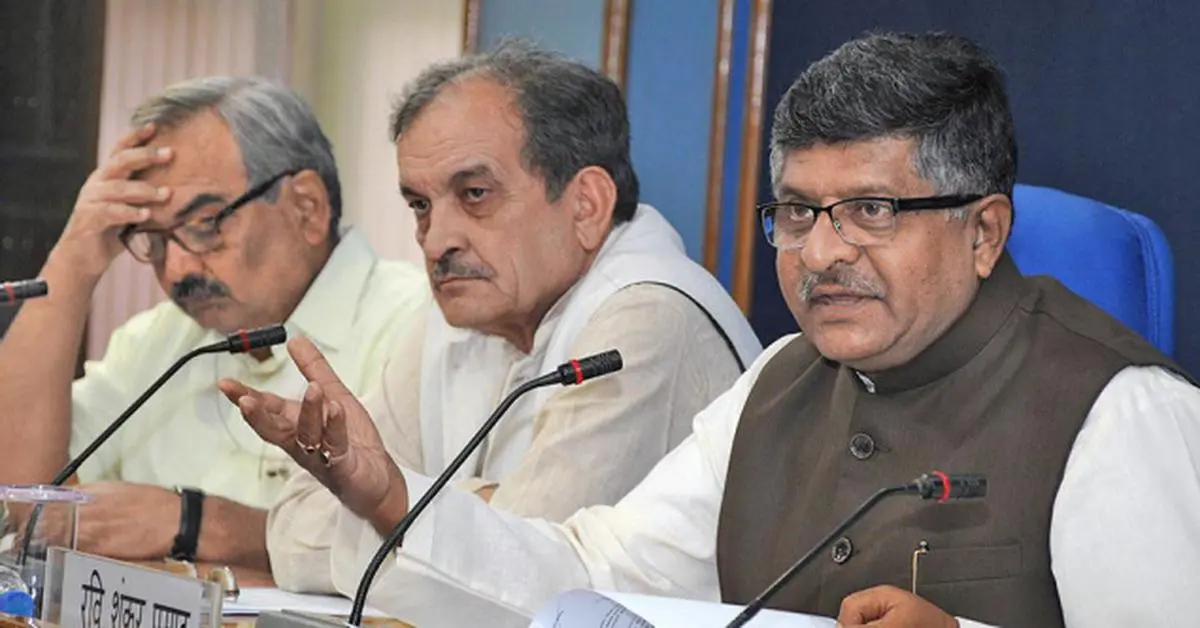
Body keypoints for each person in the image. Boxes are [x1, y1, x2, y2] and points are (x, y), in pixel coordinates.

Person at [232, 32, 1200, 627]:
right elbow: (589, 581)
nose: (822, 253)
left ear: (983, 230)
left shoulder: (1119, 410)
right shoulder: (779, 380)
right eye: (799, 211)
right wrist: (392, 496)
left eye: (870, 211)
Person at [219, 43, 762, 593]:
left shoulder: (649, 320)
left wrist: (404, 507)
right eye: (420, 205)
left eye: (475, 194)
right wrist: (477, 507)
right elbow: (289, 532)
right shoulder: (465, 311)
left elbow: (519, 585)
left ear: (587, 205)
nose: (436, 241)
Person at [0, 77, 429, 574]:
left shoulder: (416, 327)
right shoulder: (158, 341)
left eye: (204, 225)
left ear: (306, 207)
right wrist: (74, 261)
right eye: (153, 239)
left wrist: (196, 524)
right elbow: (20, 502)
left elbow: (427, 542)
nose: (177, 269)